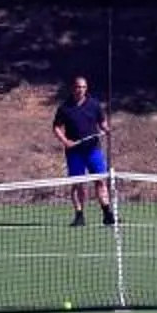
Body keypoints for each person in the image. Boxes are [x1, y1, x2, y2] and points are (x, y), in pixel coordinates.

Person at [51, 73, 116, 227]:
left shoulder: (94, 105)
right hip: (74, 153)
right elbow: (56, 128)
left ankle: (107, 214)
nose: (80, 90)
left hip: (93, 150)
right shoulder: (65, 108)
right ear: (73, 88)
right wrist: (66, 141)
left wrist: (107, 130)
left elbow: (102, 123)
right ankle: (79, 215)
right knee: (78, 184)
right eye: (78, 87)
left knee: (100, 181)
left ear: (86, 89)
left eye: (83, 87)